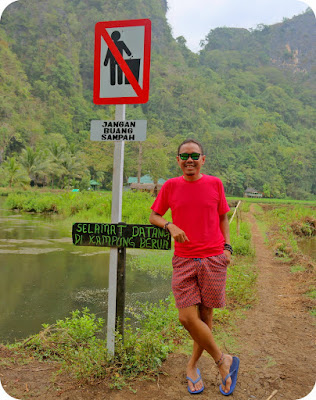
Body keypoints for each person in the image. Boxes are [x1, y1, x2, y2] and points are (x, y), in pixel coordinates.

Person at [149, 139, 240, 396]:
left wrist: (227, 248)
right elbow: (154, 215)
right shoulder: (170, 186)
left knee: (206, 316)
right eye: (184, 155)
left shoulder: (214, 184)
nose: (189, 159)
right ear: (178, 160)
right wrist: (170, 226)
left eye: (194, 155)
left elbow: (223, 216)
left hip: (213, 258)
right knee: (187, 317)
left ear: (203, 159)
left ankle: (192, 366)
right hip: (184, 260)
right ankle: (224, 361)